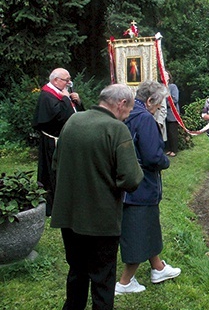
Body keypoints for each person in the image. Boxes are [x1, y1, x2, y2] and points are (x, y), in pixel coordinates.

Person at [50, 84, 143, 310]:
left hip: (70, 215)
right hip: (101, 218)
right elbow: (131, 179)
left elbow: (56, 163)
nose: (128, 115)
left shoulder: (73, 120)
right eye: (129, 110)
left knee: (77, 272)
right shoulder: (116, 129)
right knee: (102, 279)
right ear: (121, 104)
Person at [116, 81, 181, 295]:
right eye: (159, 104)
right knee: (138, 229)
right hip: (141, 185)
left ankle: (158, 268)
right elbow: (153, 156)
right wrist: (165, 161)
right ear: (150, 100)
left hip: (128, 181)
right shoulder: (144, 118)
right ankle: (125, 282)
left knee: (149, 225)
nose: (160, 108)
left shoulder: (127, 114)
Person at [33, 67, 84, 216]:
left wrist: (77, 102)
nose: (69, 83)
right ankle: (55, 204)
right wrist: (66, 99)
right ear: (55, 80)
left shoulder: (62, 93)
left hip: (65, 138)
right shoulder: (47, 95)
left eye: (69, 80)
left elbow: (75, 114)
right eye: (66, 80)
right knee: (53, 174)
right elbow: (58, 117)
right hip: (52, 141)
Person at [165, 71, 179, 157]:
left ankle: (174, 149)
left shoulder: (172, 87)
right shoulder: (161, 87)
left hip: (172, 113)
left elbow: (175, 99)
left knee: (172, 132)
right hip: (164, 114)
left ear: (169, 77)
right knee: (167, 132)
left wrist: (164, 103)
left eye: (165, 74)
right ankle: (169, 148)